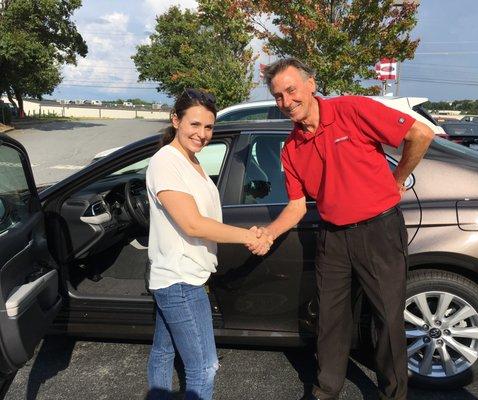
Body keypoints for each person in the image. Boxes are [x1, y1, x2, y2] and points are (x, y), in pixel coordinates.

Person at [252, 58, 434, 400]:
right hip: (332, 236)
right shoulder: (291, 149)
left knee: (387, 319)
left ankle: (393, 394)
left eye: (291, 90)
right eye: (278, 96)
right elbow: (295, 206)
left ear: (310, 84)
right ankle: (326, 390)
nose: (286, 102)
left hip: (378, 231)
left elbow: (420, 134)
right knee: (330, 319)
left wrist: (397, 180)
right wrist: (270, 233)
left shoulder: (350, 109)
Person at [145, 88, 273, 400]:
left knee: (164, 352)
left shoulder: (190, 160)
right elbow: (192, 224)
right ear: (176, 120)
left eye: (208, 126)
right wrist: (248, 237)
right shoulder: (166, 162)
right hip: (180, 280)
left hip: (182, 275)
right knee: (204, 368)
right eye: (195, 125)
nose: (203, 134)